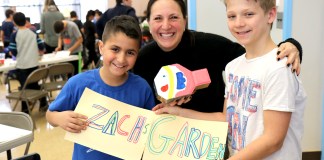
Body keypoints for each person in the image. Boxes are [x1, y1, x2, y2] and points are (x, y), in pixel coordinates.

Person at [153, 0, 307, 159]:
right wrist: (179, 112)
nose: (239, 23)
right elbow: (226, 119)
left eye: (249, 14)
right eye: (232, 16)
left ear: (271, 14)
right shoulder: (233, 67)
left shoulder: (279, 67)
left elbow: (273, 139)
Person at [133, 0, 303, 114]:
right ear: (148, 22)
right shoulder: (143, 58)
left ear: (185, 21)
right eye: (157, 18)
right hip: (164, 143)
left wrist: (292, 44)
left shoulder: (209, 45)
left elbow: (256, 55)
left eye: (174, 17)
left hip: (212, 141)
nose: (165, 25)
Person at [46, 15, 155, 160]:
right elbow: (50, 115)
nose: (121, 59)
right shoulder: (78, 84)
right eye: (115, 49)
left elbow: (151, 129)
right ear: (101, 47)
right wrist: (60, 118)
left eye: (130, 52)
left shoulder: (142, 88)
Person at [8, 12, 47, 113]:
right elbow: (41, 46)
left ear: (14, 22)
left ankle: (25, 110)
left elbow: (13, 50)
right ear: (25, 21)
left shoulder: (15, 35)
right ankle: (43, 103)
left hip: (22, 65)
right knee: (34, 84)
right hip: (34, 64)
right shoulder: (33, 32)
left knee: (24, 88)